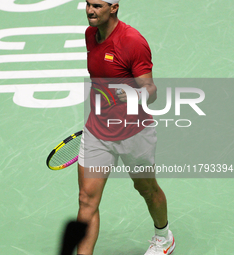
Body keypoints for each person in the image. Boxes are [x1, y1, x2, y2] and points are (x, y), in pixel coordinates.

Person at [76, 0, 175, 254]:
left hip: (134, 132)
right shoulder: (91, 34)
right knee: (86, 199)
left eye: (97, 5)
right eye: (87, 4)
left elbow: (151, 90)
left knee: (146, 189)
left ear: (114, 7)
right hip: (97, 130)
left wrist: (132, 95)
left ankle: (163, 236)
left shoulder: (132, 41)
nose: (90, 10)